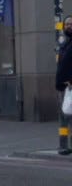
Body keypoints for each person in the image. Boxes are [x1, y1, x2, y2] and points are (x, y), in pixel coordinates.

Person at [55, 16, 71, 156]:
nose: (68, 26)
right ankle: (63, 146)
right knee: (63, 117)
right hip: (62, 85)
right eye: (66, 24)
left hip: (70, 84)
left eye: (71, 24)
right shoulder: (63, 43)